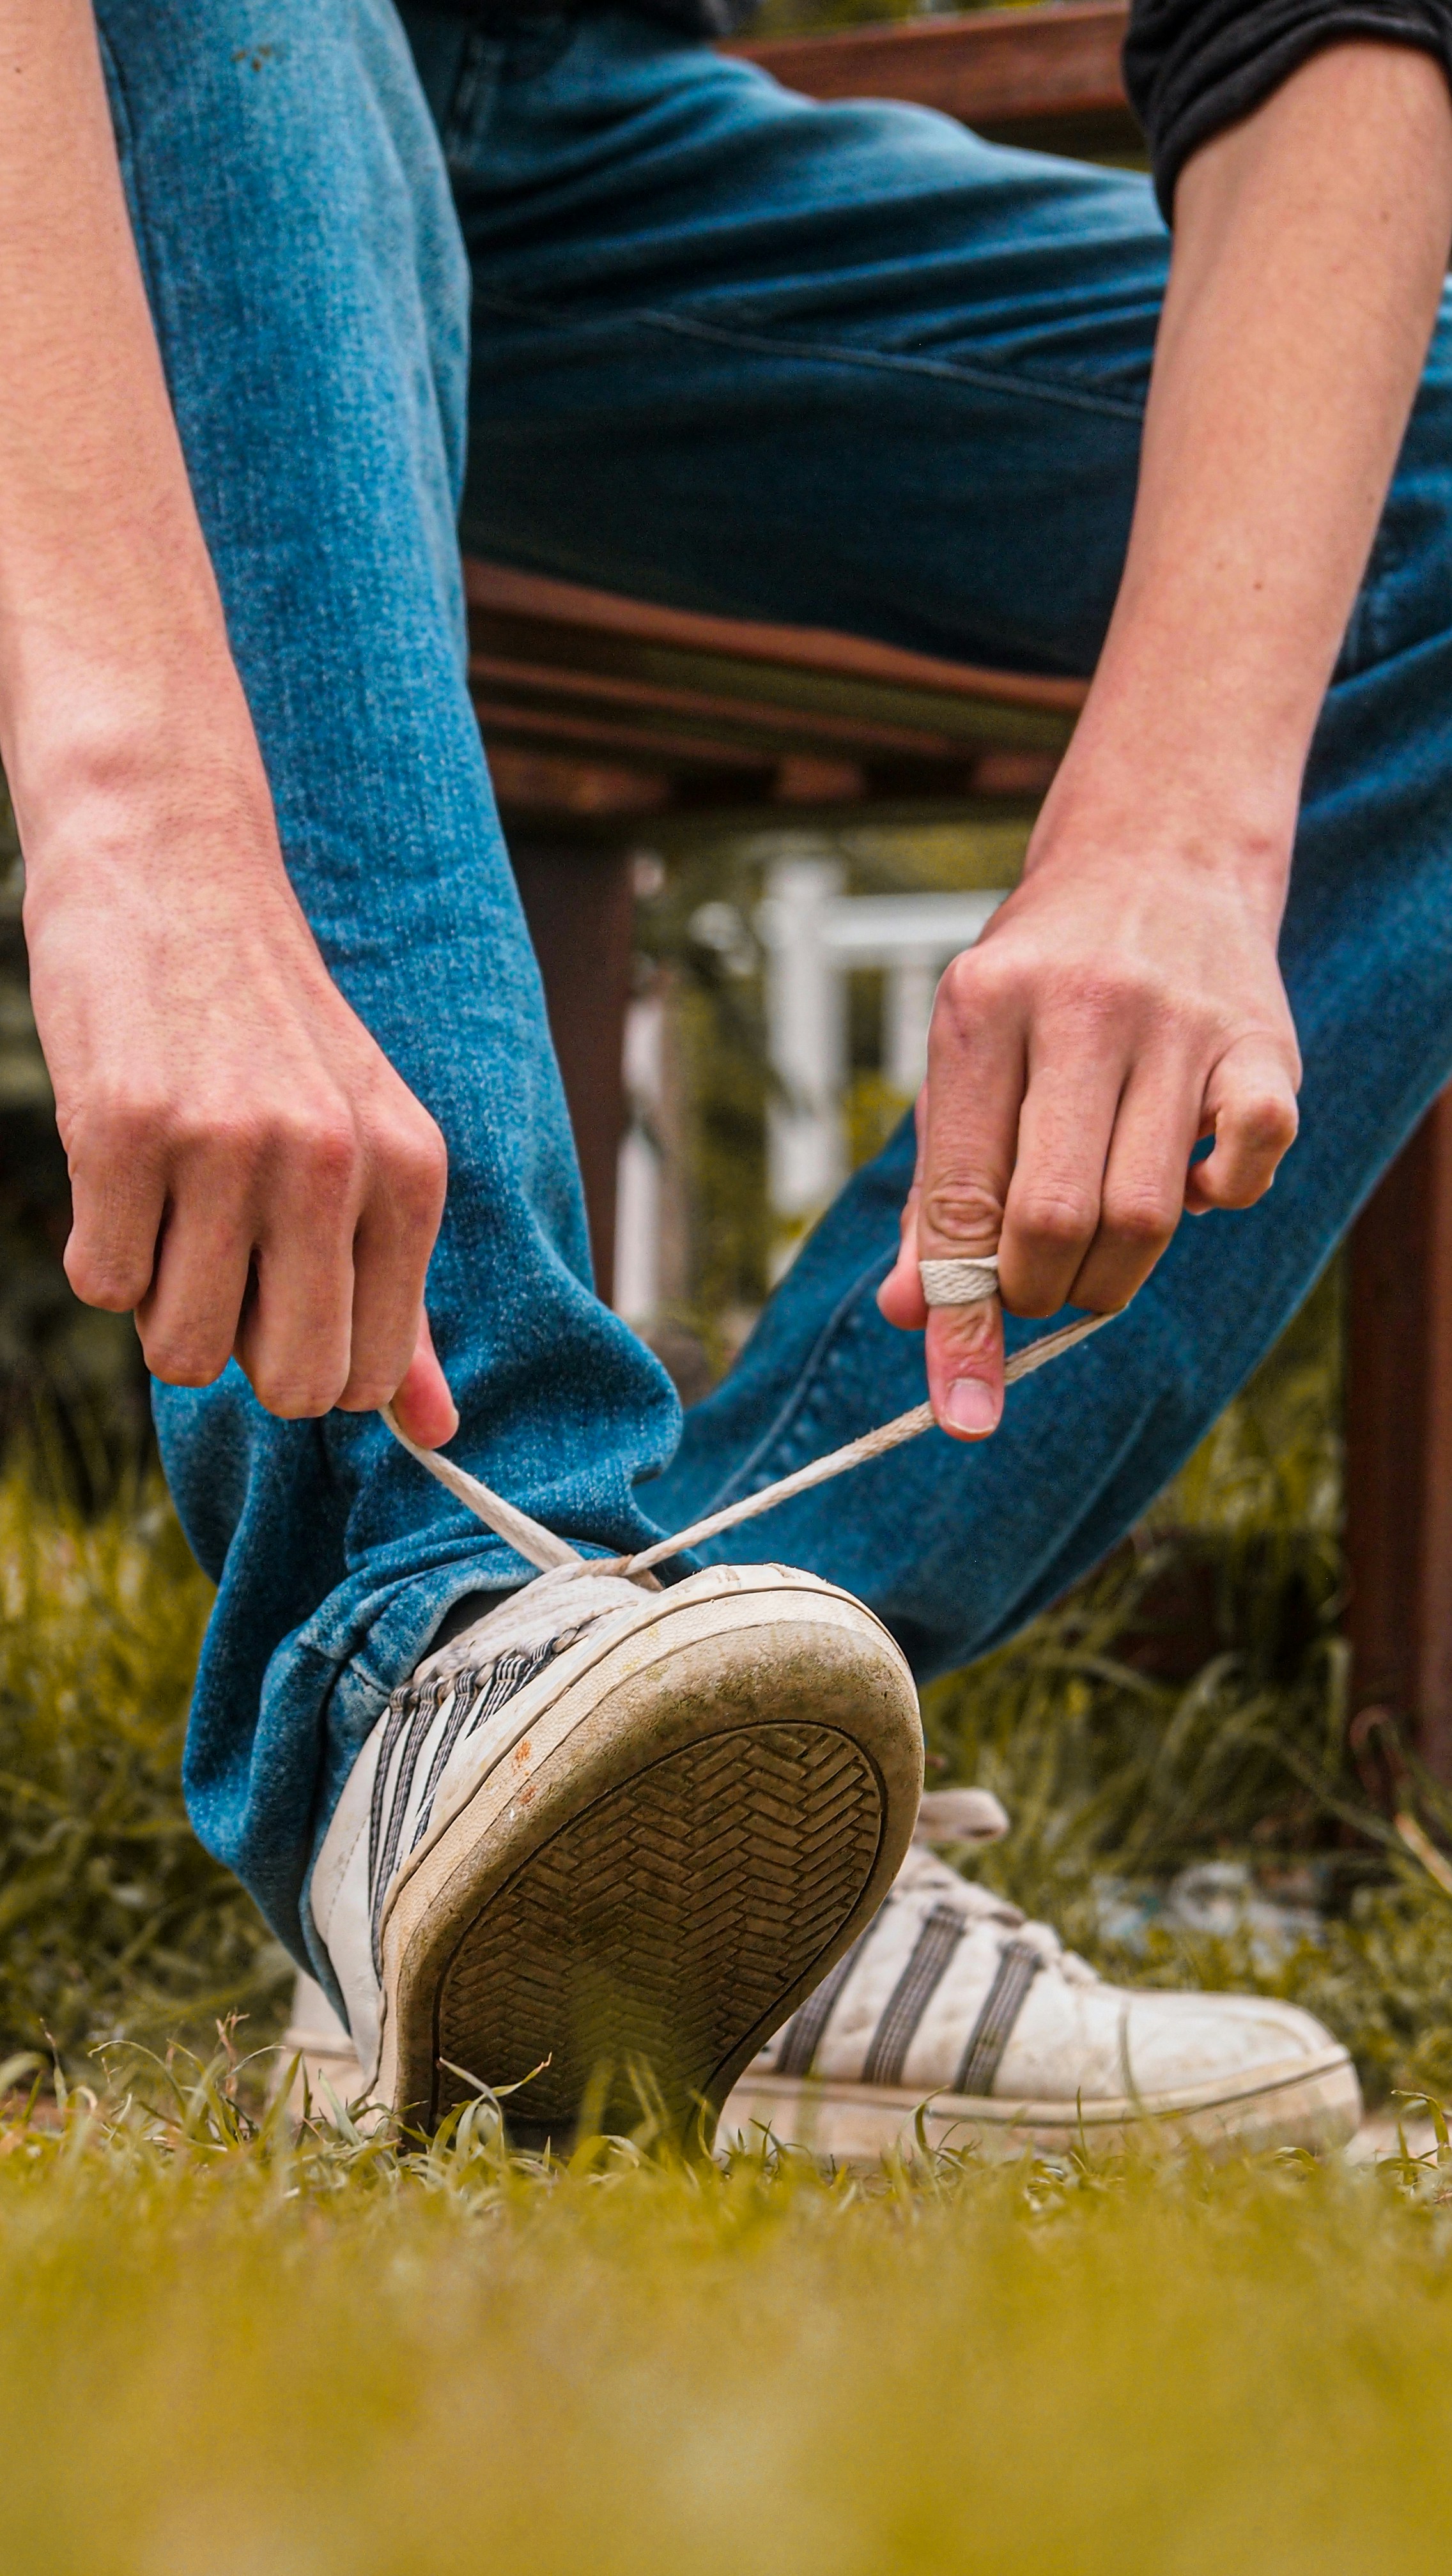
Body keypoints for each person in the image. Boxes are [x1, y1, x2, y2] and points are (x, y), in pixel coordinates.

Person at [5, 0, 1449, 2147]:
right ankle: (437, 1672)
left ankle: (660, 1768)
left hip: (554, 125)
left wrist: (1177, 826)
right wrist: (140, 806)